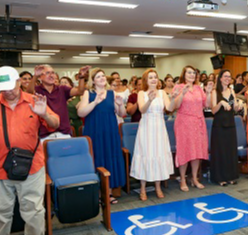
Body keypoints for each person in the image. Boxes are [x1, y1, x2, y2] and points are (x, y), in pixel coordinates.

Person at [0, 66, 60, 235]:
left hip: (31, 167)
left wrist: (45, 115)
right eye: (4, 88)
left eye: (12, 86)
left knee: (34, 213)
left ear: (19, 82)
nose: (8, 92)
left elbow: (55, 123)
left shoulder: (34, 100)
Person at [78, 68, 127, 203]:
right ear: (93, 81)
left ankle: (109, 193)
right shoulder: (89, 93)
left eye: (103, 76)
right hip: (95, 130)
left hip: (110, 131)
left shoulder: (112, 93)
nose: (102, 78)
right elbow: (81, 113)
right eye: (98, 76)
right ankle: (98, 193)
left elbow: (121, 113)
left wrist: (120, 105)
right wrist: (95, 103)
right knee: (97, 158)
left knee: (110, 158)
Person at [130, 69, 176, 200]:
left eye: (155, 77)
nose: (154, 79)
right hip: (146, 128)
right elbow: (142, 110)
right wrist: (149, 100)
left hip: (159, 128)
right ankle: (143, 189)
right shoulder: (141, 93)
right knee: (147, 154)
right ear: (146, 80)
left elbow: (169, 108)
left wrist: (173, 98)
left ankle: (158, 187)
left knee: (158, 154)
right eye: (150, 77)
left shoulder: (162, 93)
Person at [172, 66, 212, 192]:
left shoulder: (198, 88)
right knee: (184, 151)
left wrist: (209, 92)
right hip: (184, 122)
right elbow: (176, 106)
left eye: (193, 73)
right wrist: (182, 94)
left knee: (197, 152)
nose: (191, 75)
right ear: (184, 74)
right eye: (189, 72)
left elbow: (207, 105)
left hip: (198, 122)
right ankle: (183, 179)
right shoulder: (178, 87)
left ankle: (194, 178)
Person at [27, 64, 88, 141]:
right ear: (40, 77)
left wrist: (81, 77)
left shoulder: (62, 89)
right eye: (47, 73)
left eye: (53, 73)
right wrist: (35, 76)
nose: (51, 75)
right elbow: (28, 93)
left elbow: (80, 91)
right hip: (44, 135)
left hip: (64, 133)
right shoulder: (37, 90)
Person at [210, 70, 242, 186]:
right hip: (219, 125)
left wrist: (238, 106)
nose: (228, 78)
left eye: (229, 76)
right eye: (225, 76)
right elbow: (213, 110)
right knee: (220, 151)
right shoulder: (215, 92)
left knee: (230, 150)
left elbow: (234, 109)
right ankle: (220, 177)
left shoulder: (232, 91)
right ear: (220, 78)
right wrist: (221, 103)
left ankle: (231, 176)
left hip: (230, 124)